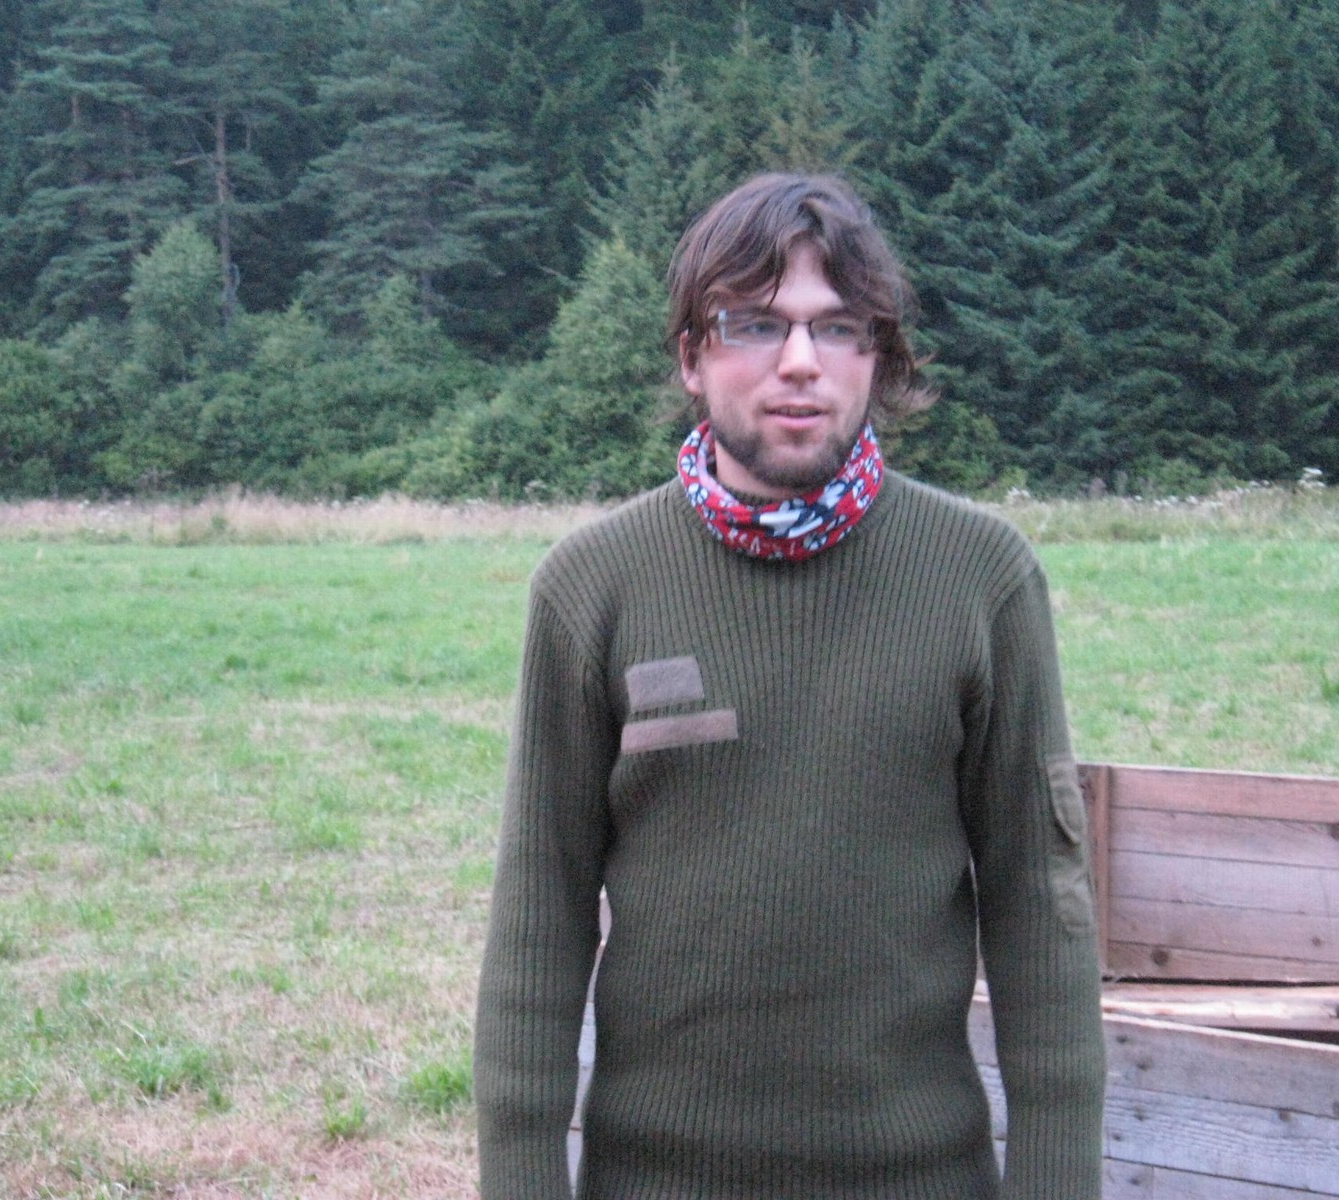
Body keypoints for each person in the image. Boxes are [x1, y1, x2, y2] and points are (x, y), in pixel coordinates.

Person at [474, 172, 1106, 1199]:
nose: (801, 362)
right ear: (692, 356)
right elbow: (536, 919)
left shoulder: (982, 579)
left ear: (877, 356)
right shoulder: (589, 589)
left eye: (839, 327)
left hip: (920, 1179)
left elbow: (1043, 911)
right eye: (756, 324)